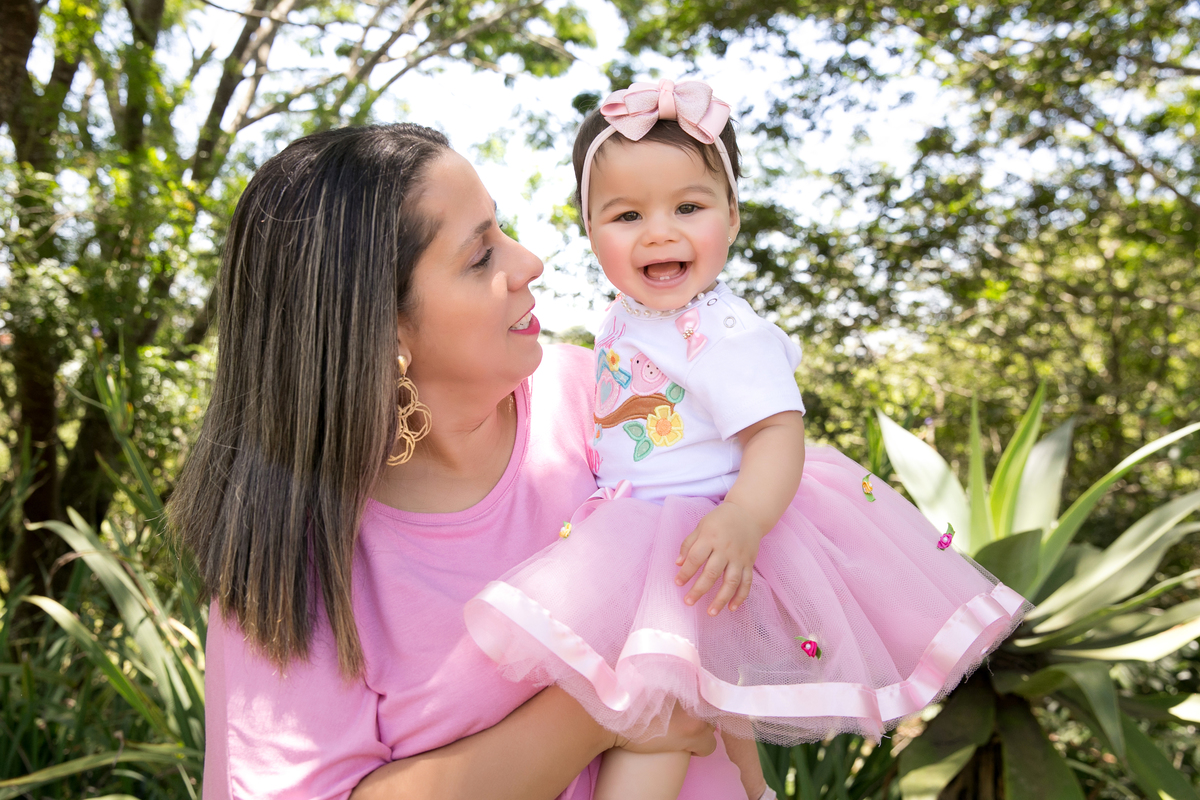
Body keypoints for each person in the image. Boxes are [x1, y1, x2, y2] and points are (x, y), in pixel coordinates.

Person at [464, 79, 1032, 800]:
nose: (660, 231)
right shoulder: (625, 317)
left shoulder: (724, 330)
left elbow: (776, 433)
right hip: (642, 531)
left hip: (704, 535)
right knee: (717, 702)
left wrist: (743, 519)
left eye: (689, 208)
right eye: (627, 214)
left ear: (730, 218)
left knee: (655, 719)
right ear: (590, 230)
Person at [168, 123, 753, 799]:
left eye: (501, 230)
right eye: (481, 257)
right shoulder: (297, 561)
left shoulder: (609, 399)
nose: (528, 261)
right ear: (382, 324)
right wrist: (602, 709)